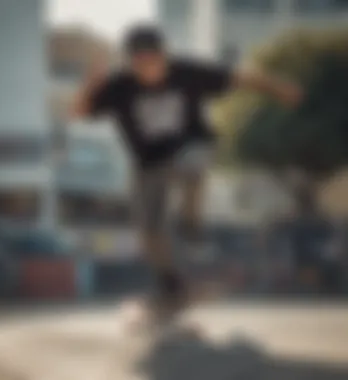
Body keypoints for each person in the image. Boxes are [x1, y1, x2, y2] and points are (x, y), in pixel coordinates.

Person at [71, 24, 302, 322]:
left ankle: (190, 223)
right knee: (148, 231)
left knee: (192, 161)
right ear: (130, 61)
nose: (148, 69)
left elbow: (239, 77)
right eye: (140, 63)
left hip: (191, 148)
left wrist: (279, 87)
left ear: (164, 56)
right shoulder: (118, 86)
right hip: (149, 164)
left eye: (153, 61)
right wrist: (91, 85)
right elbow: (78, 112)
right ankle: (172, 286)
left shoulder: (188, 72)